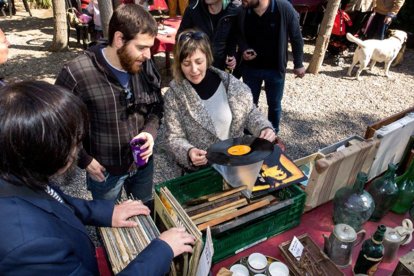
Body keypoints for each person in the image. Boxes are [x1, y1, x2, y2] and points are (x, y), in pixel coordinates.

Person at [0, 81, 195, 275]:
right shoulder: (31, 248)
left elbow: (54, 201)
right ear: (45, 150)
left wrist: (105, 212)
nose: (78, 149)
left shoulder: (16, 171)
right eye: (75, 141)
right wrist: (162, 250)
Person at [56, 4, 163, 206]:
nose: (148, 55)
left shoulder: (144, 63)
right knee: (108, 226)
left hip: (142, 167)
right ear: (119, 39)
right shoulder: (76, 73)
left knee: (144, 213)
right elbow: (58, 125)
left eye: (150, 47)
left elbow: (157, 106)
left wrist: (150, 132)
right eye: (142, 47)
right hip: (104, 173)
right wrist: (84, 159)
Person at [154, 30, 276, 182]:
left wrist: (264, 127)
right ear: (179, 64)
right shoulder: (174, 96)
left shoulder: (231, 85)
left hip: (236, 167)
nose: (194, 69)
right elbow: (174, 137)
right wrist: (189, 152)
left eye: (199, 62)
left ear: (208, 57)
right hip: (198, 175)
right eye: (186, 63)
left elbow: (250, 113)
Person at [238, 0, 305, 134]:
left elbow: (296, 36)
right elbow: (238, 35)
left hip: (275, 69)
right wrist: (244, 49)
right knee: (250, 105)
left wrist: (298, 63)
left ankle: (273, 134)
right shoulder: (244, 10)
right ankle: (248, 135)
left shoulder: (283, 8)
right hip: (251, 69)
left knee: (274, 105)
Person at [177, 0, 242, 71]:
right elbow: (180, 37)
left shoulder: (232, 12)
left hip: (219, 67)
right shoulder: (193, 10)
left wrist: (231, 55)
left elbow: (232, 37)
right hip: (196, 68)